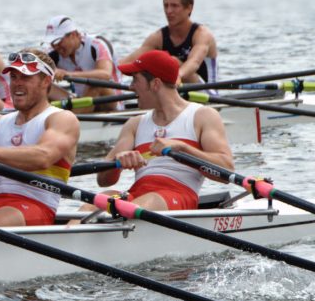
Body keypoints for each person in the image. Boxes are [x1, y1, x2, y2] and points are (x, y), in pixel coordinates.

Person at [91, 50, 233, 213]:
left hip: (178, 196)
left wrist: (184, 148)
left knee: (148, 201)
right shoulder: (135, 124)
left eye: (135, 79)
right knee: (97, 201)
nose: (130, 87)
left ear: (155, 84)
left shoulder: (202, 116)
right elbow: (102, 179)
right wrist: (117, 163)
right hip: (137, 195)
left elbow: (226, 170)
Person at [0, 49, 80, 226]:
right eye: (14, 77)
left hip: (36, 206)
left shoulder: (61, 118)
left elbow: (43, 157)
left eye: (25, 78)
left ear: (45, 81)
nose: (17, 84)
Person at [120, 0, 218, 85]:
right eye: (166, 6)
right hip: (174, 92)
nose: (168, 11)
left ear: (189, 8)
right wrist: (111, 69)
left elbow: (194, 62)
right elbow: (132, 62)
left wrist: (178, 75)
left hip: (205, 91)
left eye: (174, 6)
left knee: (171, 62)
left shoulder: (202, 34)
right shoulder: (157, 37)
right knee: (147, 64)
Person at [43, 15, 124, 113]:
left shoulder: (96, 44)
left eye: (58, 41)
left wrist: (69, 74)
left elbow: (105, 74)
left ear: (73, 34)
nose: (56, 46)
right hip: (80, 100)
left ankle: (70, 121)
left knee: (96, 84)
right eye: (51, 42)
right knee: (42, 85)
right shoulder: (53, 53)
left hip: (110, 100)